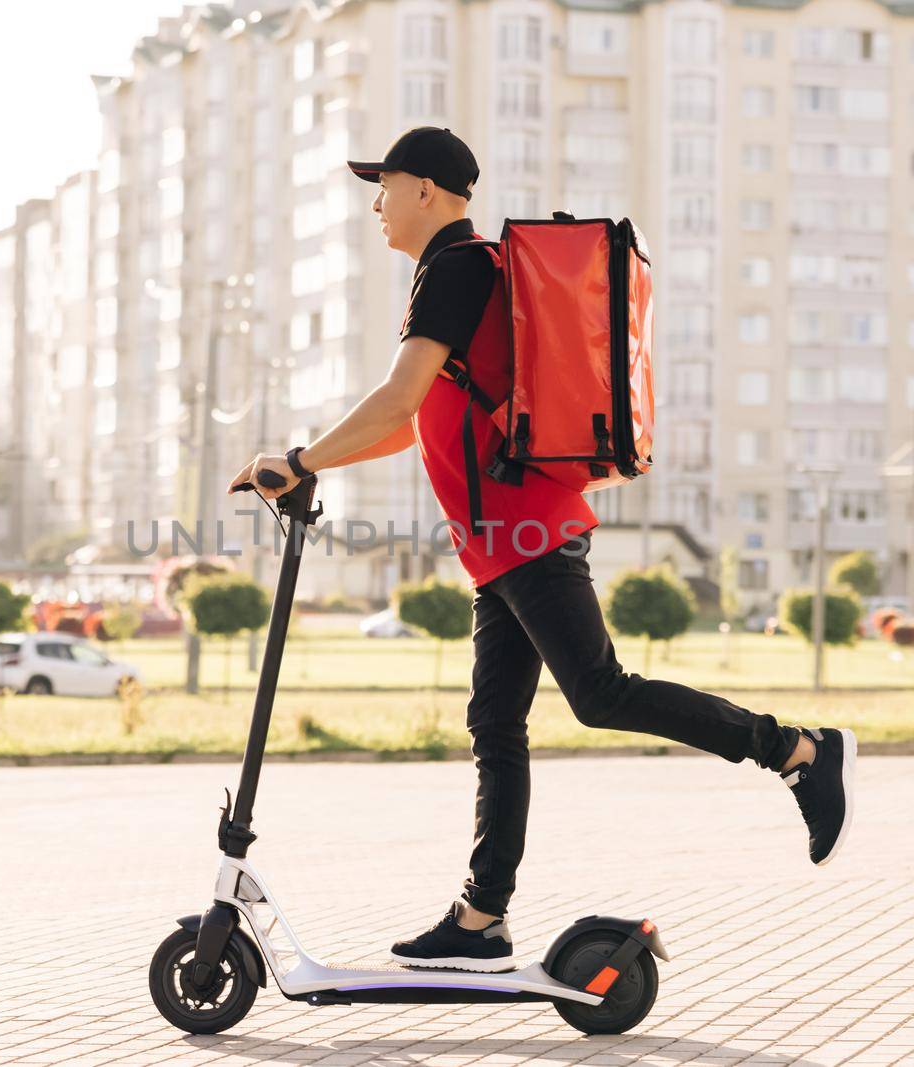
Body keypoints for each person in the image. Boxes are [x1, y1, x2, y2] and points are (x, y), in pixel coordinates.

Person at [228, 126, 856, 974]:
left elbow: (396, 398)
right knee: (495, 722)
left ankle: (794, 748)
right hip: (503, 542)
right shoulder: (456, 272)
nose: (376, 202)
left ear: (428, 189)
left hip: (527, 530)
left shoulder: (456, 268)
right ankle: (481, 917)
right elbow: (407, 422)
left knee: (598, 692)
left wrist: (297, 459)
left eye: (386, 184)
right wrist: (306, 460)